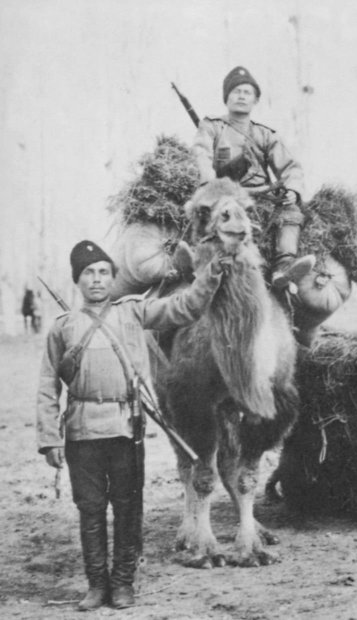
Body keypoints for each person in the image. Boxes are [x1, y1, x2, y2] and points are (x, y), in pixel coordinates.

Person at [37, 240, 225, 610]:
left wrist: (211, 276)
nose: (97, 280)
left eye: (104, 272)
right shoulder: (63, 328)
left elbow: (184, 307)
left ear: (112, 278)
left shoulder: (133, 312)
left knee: (127, 508)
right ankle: (96, 586)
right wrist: (49, 439)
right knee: (90, 510)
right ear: (78, 280)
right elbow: (47, 385)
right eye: (89, 273)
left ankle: (122, 584)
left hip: (125, 427)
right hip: (81, 431)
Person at [192, 66, 310, 289]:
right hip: (226, 195)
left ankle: (283, 269)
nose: (242, 96)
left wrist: (293, 191)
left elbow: (291, 166)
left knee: (291, 213)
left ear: (255, 100)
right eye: (236, 91)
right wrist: (211, 186)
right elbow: (201, 153)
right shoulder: (212, 127)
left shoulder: (264, 134)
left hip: (261, 197)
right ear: (226, 97)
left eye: (247, 92)